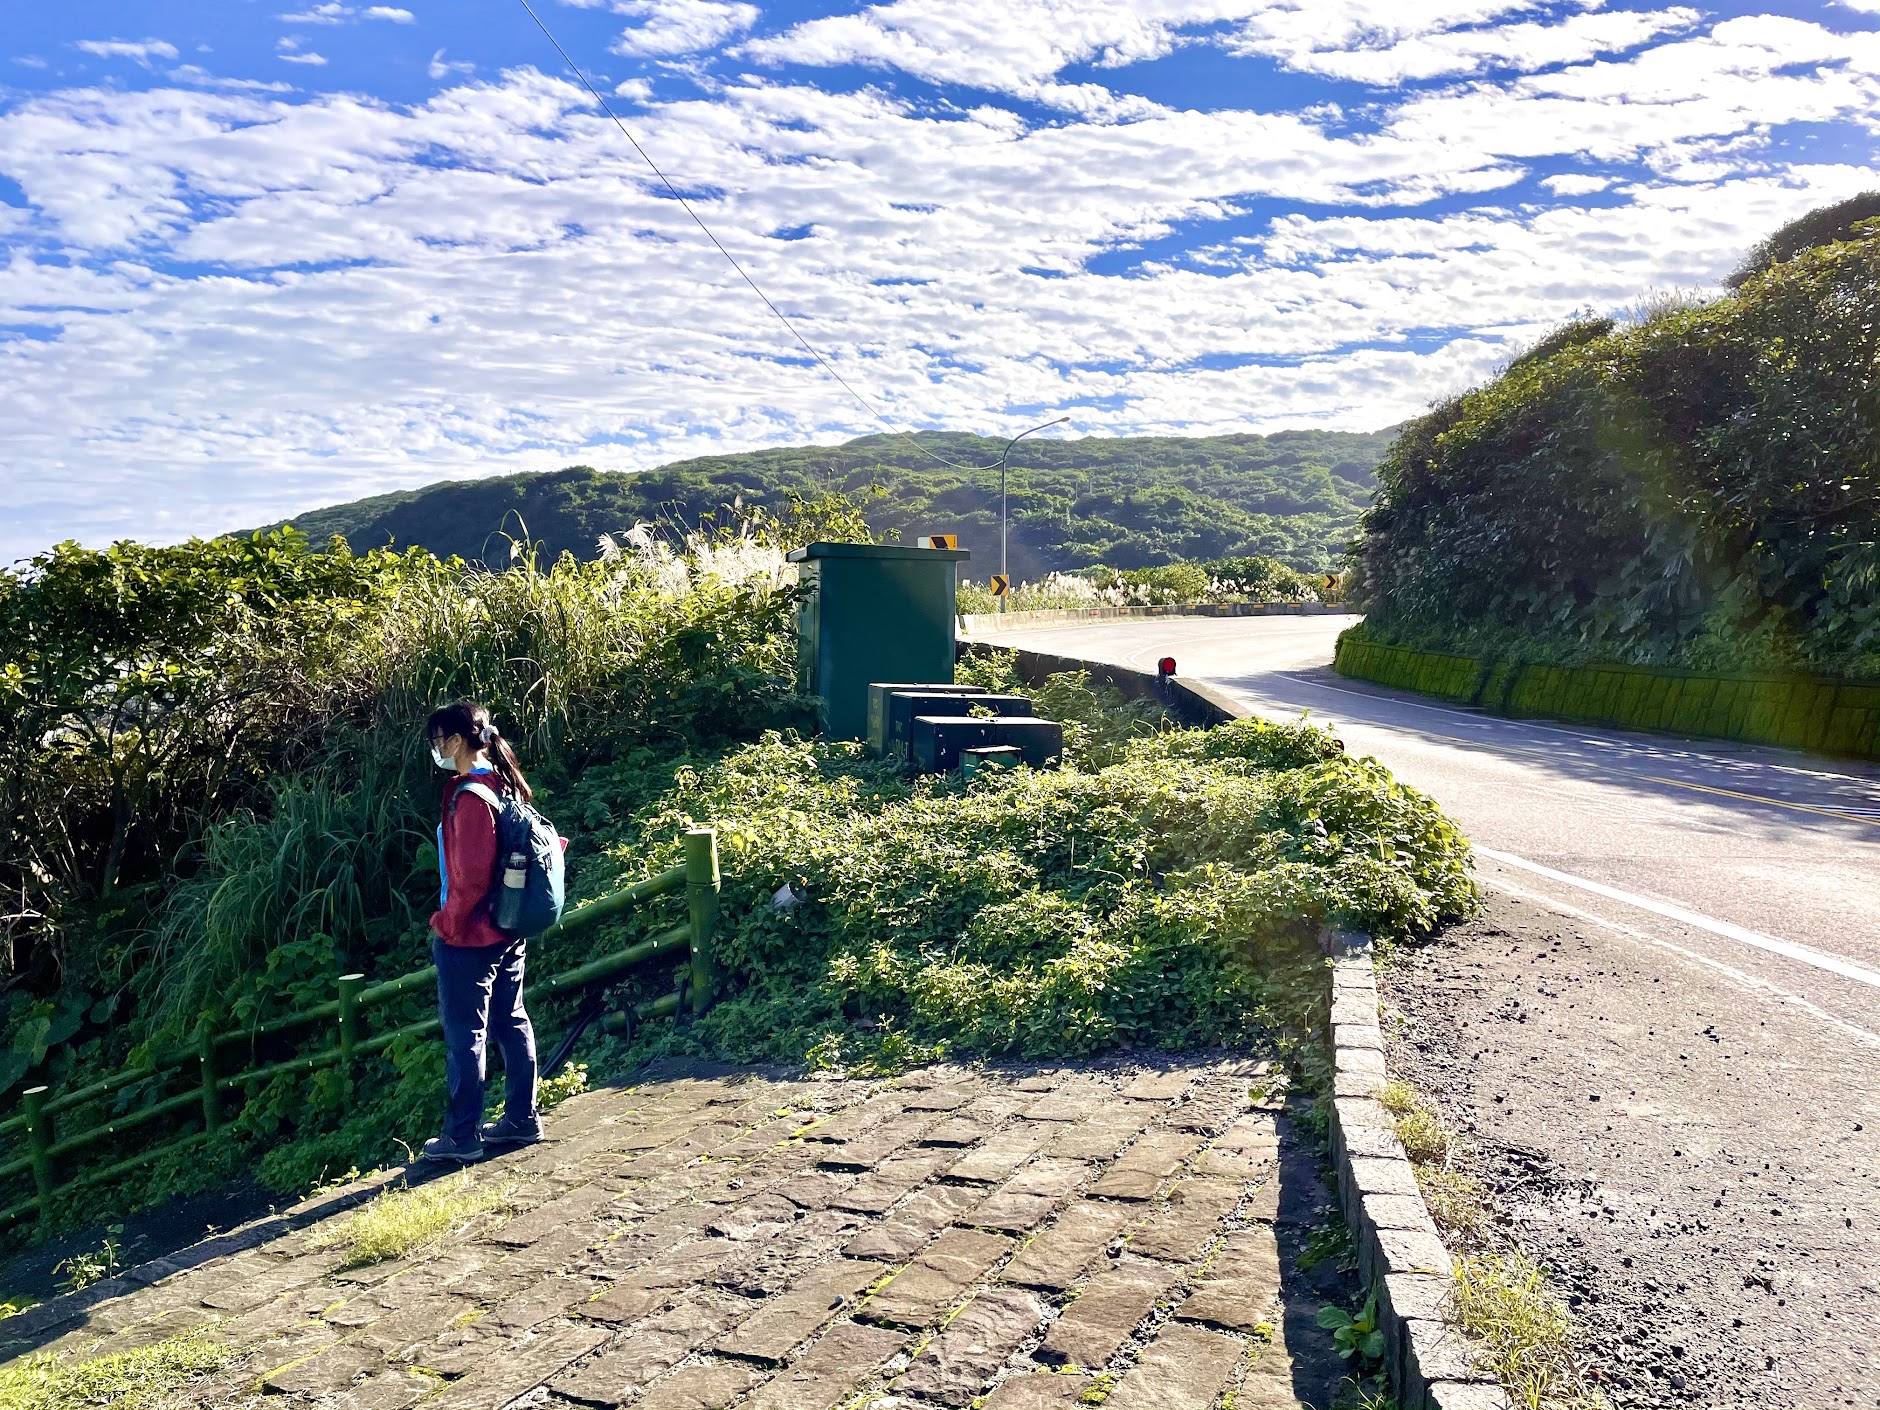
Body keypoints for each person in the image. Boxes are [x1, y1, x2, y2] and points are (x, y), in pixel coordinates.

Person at [421, 699, 544, 1162]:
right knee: (511, 1020)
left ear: (455, 741)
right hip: (507, 927)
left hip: (470, 937)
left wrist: (445, 924)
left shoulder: (469, 797)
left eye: (437, 740)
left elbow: (470, 877)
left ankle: (463, 1135)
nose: (435, 749)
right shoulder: (502, 780)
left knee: (465, 1035)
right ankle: (521, 1117)